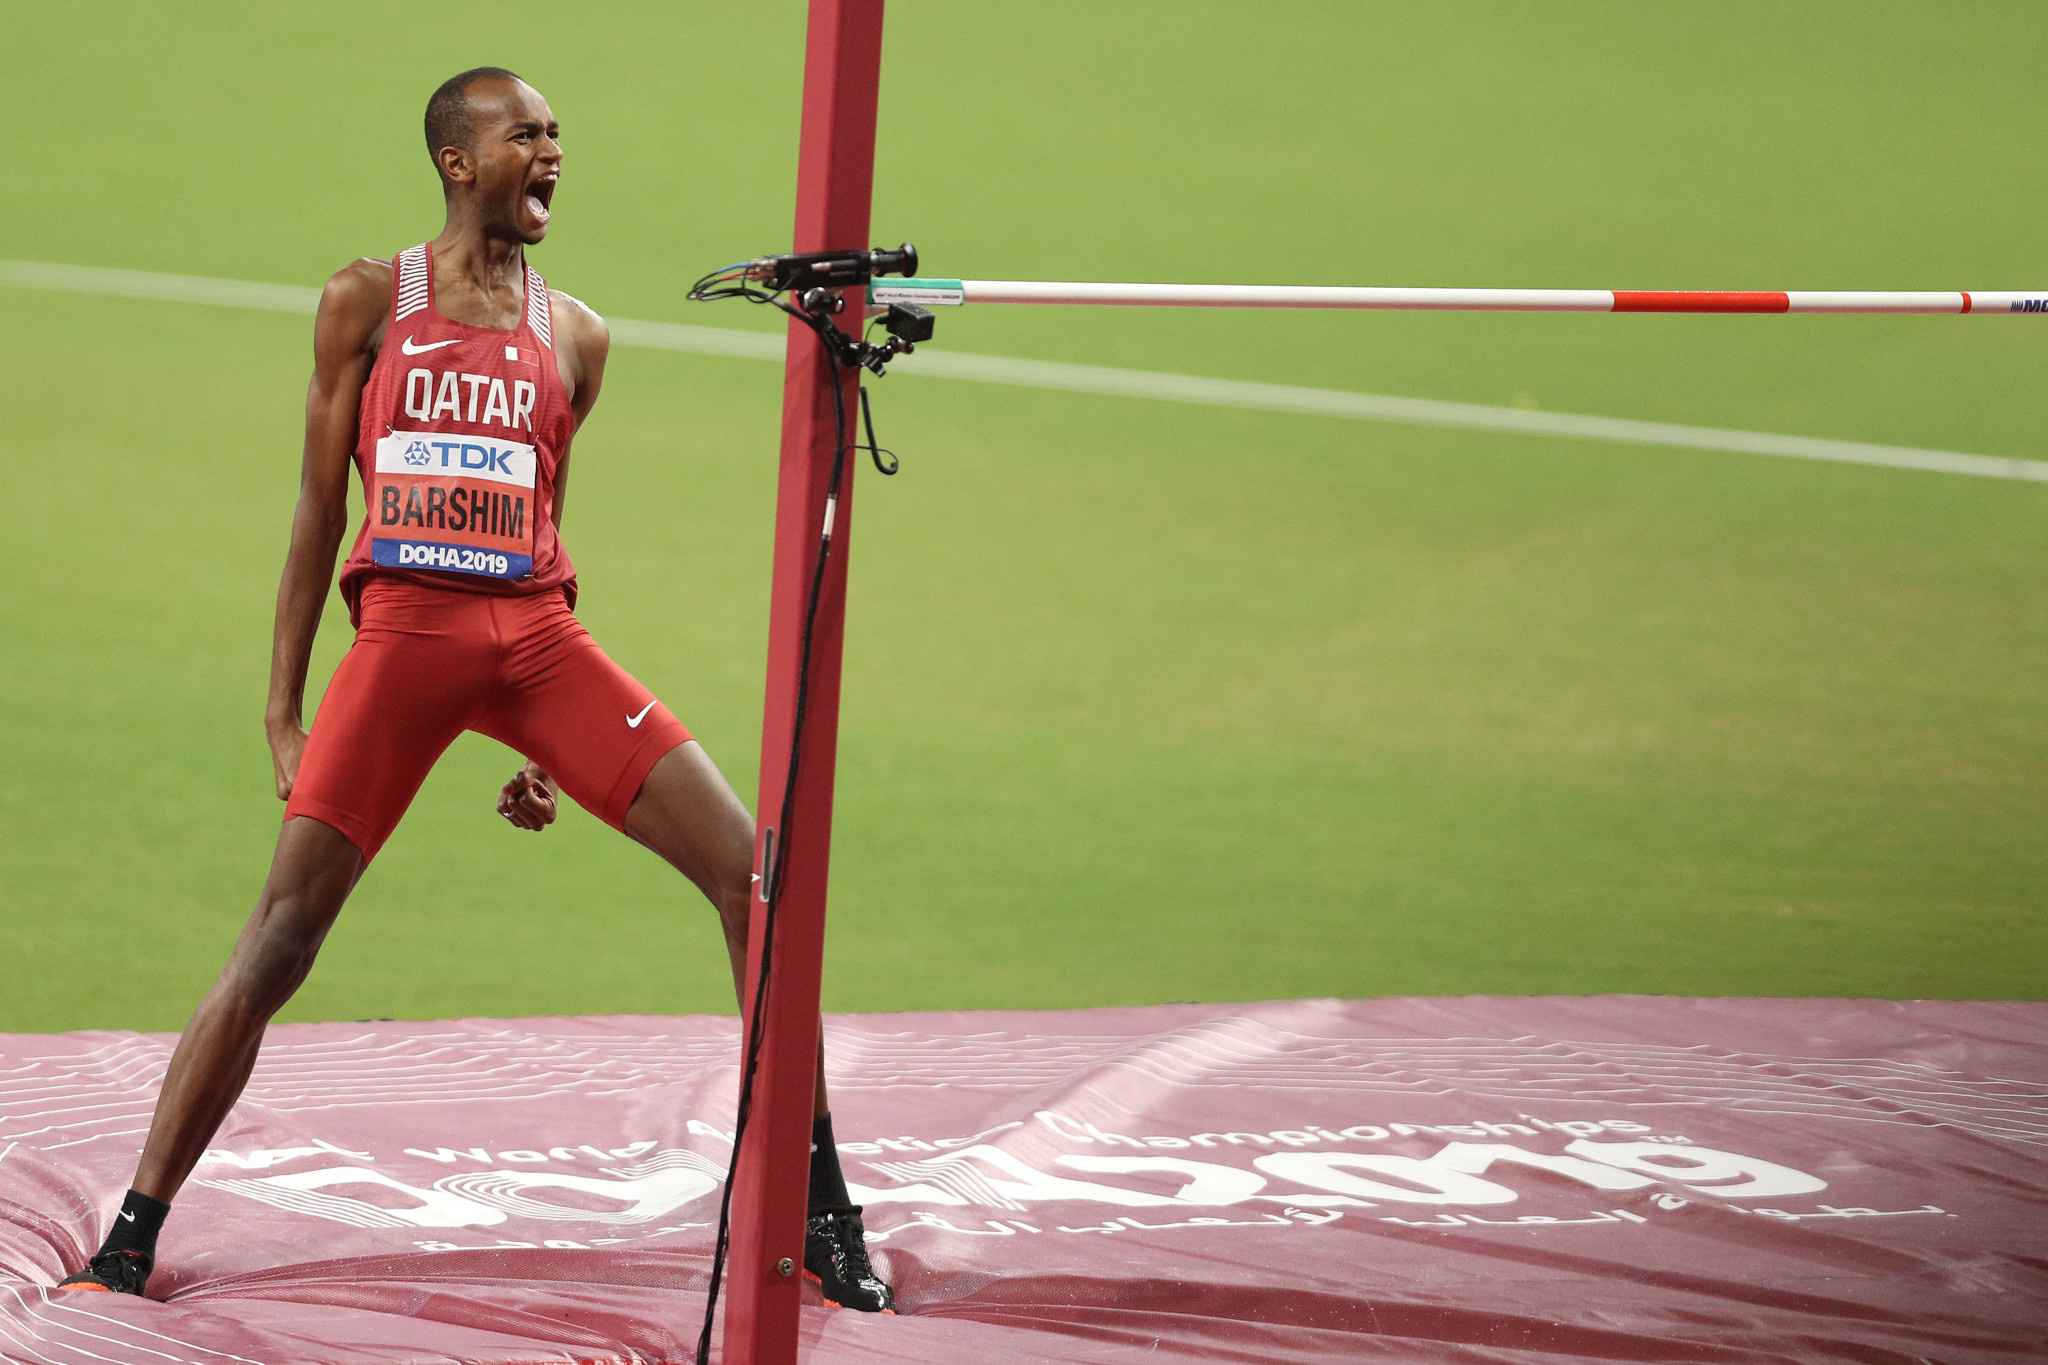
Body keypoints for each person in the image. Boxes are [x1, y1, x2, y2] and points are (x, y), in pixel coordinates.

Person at [54, 67, 893, 1314]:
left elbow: (546, 518)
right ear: (459, 162)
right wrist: (283, 709)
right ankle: (132, 1233)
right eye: (527, 136)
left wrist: (556, 747)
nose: (552, 152)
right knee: (281, 939)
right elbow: (315, 509)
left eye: (558, 135)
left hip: (540, 642)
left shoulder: (577, 335)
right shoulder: (364, 302)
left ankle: (817, 1213)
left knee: (753, 877)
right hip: (403, 640)